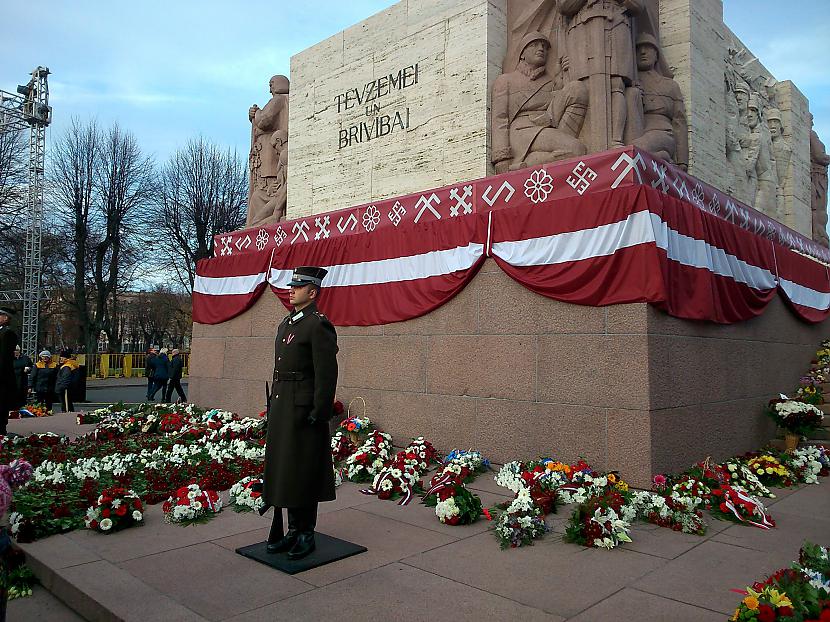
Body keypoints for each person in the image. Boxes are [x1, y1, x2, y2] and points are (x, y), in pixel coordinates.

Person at [263, 266, 339, 560]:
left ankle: (306, 532)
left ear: (313, 292)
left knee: (304, 470)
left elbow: (326, 374)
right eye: (291, 285)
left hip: (303, 409)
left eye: (298, 286)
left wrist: (320, 411)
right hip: (284, 407)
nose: (291, 289)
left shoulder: (317, 325)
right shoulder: (287, 324)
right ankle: (293, 530)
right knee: (287, 469)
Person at [491, 31, 588, 173]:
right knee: (576, 149)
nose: (541, 48)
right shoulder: (506, 80)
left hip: (547, 128)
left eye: (543, 46)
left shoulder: (551, 82)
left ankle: (530, 161)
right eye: (534, 45)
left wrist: (564, 75)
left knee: (577, 88)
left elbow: (566, 102)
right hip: (522, 132)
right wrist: (501, 157)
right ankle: (525, 163)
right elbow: (499, 118)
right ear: (522, 54)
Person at [0, 309, 19, 435]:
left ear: (6, 318)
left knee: (1, 404)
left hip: (2, 377)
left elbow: (4, 357)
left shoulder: (7, 333)